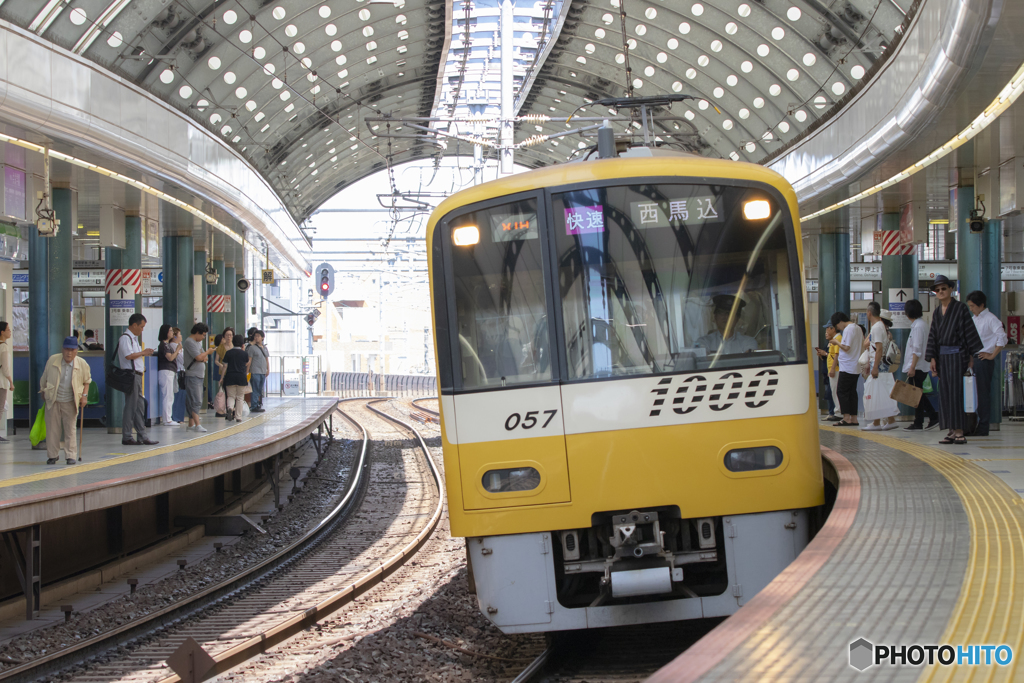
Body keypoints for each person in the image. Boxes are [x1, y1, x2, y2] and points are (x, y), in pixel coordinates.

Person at [925, 274, 983, 445]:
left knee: (956, 393)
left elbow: (968, 333)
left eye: (944, 288)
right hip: (942, 357)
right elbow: (933, 336)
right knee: (945, 394)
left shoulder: (961, 308)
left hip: (958, 356)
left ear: (951, 289)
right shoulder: (936, 312)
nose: (941, 291)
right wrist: (933, 358)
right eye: (938, 289)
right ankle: (950, 430)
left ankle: (959, 431)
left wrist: (970, 358)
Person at [40, 337, 91, 464]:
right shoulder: (53, 360)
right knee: (52, 429)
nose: (69, 353)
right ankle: (52, 455)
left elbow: (87, 381)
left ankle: (70, 455)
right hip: (53, 399)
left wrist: (84, 396)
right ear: (62, 350)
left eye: (72, 350)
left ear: (76, 351)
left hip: (71, 400)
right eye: (66, 349)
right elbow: (44, 378)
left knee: (70, 429)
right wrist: (43, 390)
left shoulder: (82, 363)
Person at [966, 290, 1007, 436]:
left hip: (984, 360)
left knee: (983, 394)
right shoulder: (975, 318)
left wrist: (992, 355)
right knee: (973, 394)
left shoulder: (991, 319)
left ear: (981, 305)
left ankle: (983, 427)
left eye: (973, 306)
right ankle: (972, 425)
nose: (971, 309)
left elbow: (1002, 337)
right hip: (974, 360)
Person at [117, 313, 158, 446]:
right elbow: (128, 356)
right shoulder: (125, 338)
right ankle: (127, 436)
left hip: (138, 375)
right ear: (134, 325)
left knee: (139, 406)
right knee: (131, 406)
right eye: (141, 326)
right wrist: (143, 353)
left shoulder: (133, 339)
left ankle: (142, 435)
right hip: (131, 376)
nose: (142, 329)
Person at [903, 299, 939, 431]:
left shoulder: (918, 327)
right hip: (919, 365)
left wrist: (912, 367)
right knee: (917, 394)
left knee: (917, 394)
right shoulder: (921, 324)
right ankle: (922, 420)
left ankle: (930, 417)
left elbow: (916, 349)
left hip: (917, 366)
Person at [863, 303, 899, 431]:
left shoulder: (877, 327)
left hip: (878, 365)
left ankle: (877, 422)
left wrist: (875, 367)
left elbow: (879, 349)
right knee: (882, 392)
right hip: (880, 365)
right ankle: (890, 420)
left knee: (876, 392)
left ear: (869, 313)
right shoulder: (880, 326)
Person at [830, 311, 863, 427]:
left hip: (848, 366)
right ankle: (854, 418)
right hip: (855, 366)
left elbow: (846, 347)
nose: (838, 328)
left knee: (842, 391)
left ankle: (846, 418)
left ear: (840, 322)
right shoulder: (858, 328)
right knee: (852, 393)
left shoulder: (849, 329)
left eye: (837, 326)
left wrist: (836, 342)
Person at [183, 323, 210, 432]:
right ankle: (197, 425)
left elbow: (204, 358)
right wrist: (207, 352)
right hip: (193, 375)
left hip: (198, 375)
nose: (203, 337)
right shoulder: (189, 342)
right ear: (197, 333)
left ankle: (191, 425)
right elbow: (199, 356)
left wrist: (203, 356)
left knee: (194, 399)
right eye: (203, 335)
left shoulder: (197, 343)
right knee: (196, 400)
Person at [815, 322, 842, 422]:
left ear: (833, 329)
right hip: (831, 370)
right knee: (833, 392)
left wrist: (832, 369)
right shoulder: (832, 341)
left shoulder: (837, 339)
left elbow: (836, 355)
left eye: (828, 329)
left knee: (835, 392)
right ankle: (836, 412)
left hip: (835, 370)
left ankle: (838, 412)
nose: (826, 331)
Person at [157, 324, 181, 426]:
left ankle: (168, 418)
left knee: (170, 395)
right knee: (167, 395)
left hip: (169, 371)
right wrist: (177, 350)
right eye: (170, 331)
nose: (172, 333)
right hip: (166, 371)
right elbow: (170, 358)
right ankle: (167, 419)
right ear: (166, 333)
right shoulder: (164, 345)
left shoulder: (166, 344)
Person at [223, 335, 251, 422]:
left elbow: (224, 365)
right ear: (243, 344)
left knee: (231, 396)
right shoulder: (244, 354)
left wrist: (222, 377)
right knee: (240, 397)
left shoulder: (228, 353)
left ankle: (230, 408)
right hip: (241, 377)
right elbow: (247, 363)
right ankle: (238, 417)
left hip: (230, 377)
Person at [247, 330, 269, 413]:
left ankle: (257, 404)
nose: (256, 338)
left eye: (258, 336)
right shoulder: (252, 348)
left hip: (263, 372)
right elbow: (250, 360)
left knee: (259, 389)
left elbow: (267, 359)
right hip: (255, 371)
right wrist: (247, 371)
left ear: (262, 338)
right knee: (255, 389)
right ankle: (254, 406)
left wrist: (268, 369)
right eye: (255, 336)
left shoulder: (265, 348)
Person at [0, 322, 12, 443]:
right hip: (1, 382)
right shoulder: (3, 346)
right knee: (0, 407)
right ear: (2, 332)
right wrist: (10, 381)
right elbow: (5, 368)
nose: (10, 331)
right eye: (8, 329)